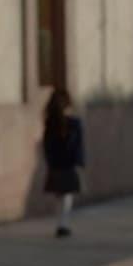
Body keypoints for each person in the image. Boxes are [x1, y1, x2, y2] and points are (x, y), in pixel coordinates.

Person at [42, 88, 85, 238]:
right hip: (68, 163)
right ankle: (63, 224)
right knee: (66, 195)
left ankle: (61, 223)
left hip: (56, 163)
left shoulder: (50, 123)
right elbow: (78, 146)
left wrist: (49, 161)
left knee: (59, 195)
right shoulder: (74, 123)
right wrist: (80, 162)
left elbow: (46, 145)